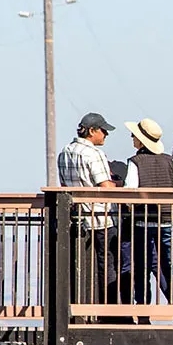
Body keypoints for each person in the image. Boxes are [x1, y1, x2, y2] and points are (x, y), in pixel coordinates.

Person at [120, 118, 173, 314]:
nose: (131, 138)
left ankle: (144, 312)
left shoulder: (135, 162)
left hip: (143, 221)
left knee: (142, 267)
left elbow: (130, 190)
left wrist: (129, 208)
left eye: (134, 136)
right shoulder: (168, 160)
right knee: (172, 266)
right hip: (170, 220)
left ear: (141, 140)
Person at [54, 112, 121, 318]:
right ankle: (108, 312)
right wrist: (119, 185)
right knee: (107, 265)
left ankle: (76, 311)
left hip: (75, 217)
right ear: (92, 131)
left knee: (77, 266)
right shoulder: (94, 154)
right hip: (101, 217)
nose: (105, 136)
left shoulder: (65, 152)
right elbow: (106, 187)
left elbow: (64, 185)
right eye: (103, 131)